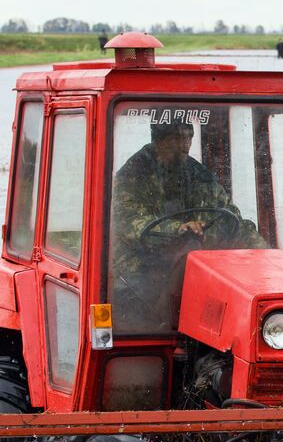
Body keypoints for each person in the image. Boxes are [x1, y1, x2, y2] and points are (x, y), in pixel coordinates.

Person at [111, 118, 260, 329]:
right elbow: (131, 222)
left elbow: (230, 217)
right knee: (142, 298)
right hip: (139, 262)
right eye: (176, 139)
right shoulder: (133, 175)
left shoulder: (197, 174)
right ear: (159, 141)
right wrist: (178, 229)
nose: (184, 146)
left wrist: (268, 254)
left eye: (188, 138)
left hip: (193, 260)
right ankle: (161, 332)